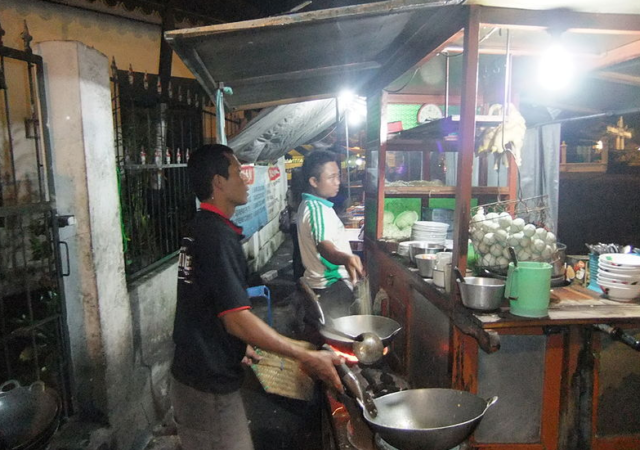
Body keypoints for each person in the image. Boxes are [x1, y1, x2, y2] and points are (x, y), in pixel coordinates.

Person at [170, 144, 343, 450]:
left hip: (199, 375)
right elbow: (236, 319)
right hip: (207, 386)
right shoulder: (217, 237)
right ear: (218, 182)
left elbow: (207, 303)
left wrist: (239, 345)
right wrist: (306, 355)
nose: (246, 180)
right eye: (238, 172)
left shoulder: (202, 227)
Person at [297, 150, 364, 320]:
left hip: (326, 287)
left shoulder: (313, 205)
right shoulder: (316, 210)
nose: (337, 182)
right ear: (313, 181)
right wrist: (346, 259)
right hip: (331, 287)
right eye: (331, 177)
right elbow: (324, 247)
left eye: (338, 176)